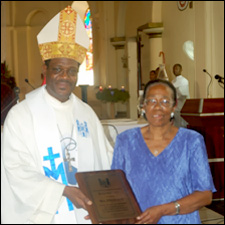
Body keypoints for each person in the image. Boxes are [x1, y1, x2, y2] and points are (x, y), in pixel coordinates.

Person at [1, 6, 113, 224]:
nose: (65, 77)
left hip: (85, 213)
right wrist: (61, 190)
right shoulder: (22, 115)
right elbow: (14, 169)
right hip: (44, 214)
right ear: (45, 70)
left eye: (72, 71)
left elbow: (105, 160)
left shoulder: (87, 114)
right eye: (58, 69)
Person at [111, 79, 216, 224]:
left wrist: (162, 210)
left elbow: (205, 195)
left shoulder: (191, 141)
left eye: (165, 101)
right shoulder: (125, 141)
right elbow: (116, 190)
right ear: (143, 105)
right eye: (152, 101)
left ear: (174, 106)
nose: (158, 107)